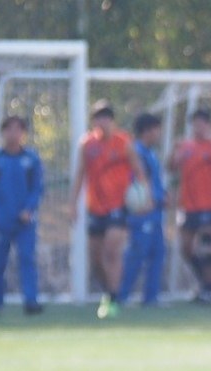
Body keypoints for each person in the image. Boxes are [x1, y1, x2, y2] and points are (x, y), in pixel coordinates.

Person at [70, 102, 147, 320]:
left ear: (112, 121)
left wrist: (144, 196)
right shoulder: (87, 144)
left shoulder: (124, 142)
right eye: (98, 117)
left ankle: (114, 298)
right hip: (95, 207)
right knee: (95, 259)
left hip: (118, 206)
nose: (102, 122)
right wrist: (73, 204)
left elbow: (139, 171)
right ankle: (110, 293)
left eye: (106, 117)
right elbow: (80, 174)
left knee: (111, 251)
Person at [0, 115, 43, 317]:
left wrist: (29, 208)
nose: (13, 134)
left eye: (18, 129)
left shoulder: (31, 159)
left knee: (27, 258)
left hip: (24, 221)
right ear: (3, 132)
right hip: (0, 220)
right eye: (9, 129)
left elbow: (37, 188)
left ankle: (31, 301)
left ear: (23, 133)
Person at [171, 108, 211, 302]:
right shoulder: (185, 146)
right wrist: (174, 151)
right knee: (186, 249)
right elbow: (170, 167)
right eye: (195, 124)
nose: (199, 127)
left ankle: (209, 289)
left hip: (209, 206)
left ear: (209, 125)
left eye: (202, 123)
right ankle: (204, 282)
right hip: (187, 206)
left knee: (205, 248)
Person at [117, 114, 168, 308]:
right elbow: (136, 181)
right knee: (136, 253)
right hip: (142, 212)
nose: (159, 133)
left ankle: (151, 298)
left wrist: (162, 195)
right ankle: (121, 296)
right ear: (147, 130)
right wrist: (149, 199)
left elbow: (153, 180)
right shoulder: (135, 151)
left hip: (155, 212)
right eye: (157, 129)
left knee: (157, 253)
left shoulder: (150, 152)